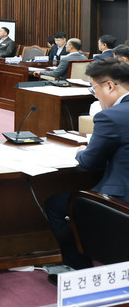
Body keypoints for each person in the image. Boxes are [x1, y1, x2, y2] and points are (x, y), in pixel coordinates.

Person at [44, 59, 129, 273]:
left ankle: (80, 272)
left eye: (94, 88)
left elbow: (90, 162)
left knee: (56, 204)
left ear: (110, 86)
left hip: (121, 200)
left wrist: (81, 152)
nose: (95, 95)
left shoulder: (110, 117)